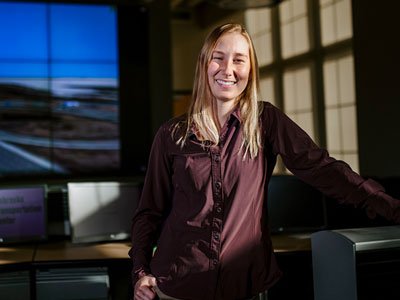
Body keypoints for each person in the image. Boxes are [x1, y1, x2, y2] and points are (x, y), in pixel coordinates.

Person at [129, 23, 400, 300]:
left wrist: (391, 208)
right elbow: (149, 211)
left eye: (239, 60)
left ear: (250, 69)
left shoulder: (266, 122)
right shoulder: (171, 134)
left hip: (245, 286)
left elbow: (323, 169)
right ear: (203, 64)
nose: (228, 69)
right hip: (176, 286)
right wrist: (139, 272)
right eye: (218, 57)